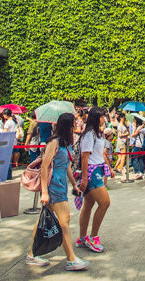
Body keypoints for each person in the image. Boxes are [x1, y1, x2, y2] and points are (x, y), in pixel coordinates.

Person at [25, 113, 89, 270]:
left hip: (61, 184)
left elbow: (66, 165)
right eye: (74, 124)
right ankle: (71, 258)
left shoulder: (65, 143)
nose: (76, 126)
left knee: (44, 219)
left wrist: (73, 184)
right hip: (53, 185)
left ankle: (32, 255)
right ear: (67, 125)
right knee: (64, 220)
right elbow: (45, 166)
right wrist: (45, 192)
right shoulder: (53, 142)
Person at [77, 107, 111, 253]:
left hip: (96, 169)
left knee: (89, 205)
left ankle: (82, 237)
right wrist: (84, 179)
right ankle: (93, 237)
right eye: (102, 116)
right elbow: (85, 157)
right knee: (104, 203)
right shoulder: (89, 135)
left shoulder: (97, 134)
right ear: (96, 117)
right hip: (92, 172)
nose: (104, 119)